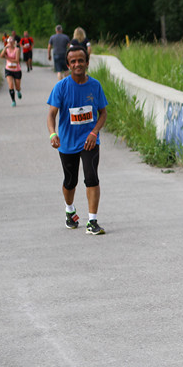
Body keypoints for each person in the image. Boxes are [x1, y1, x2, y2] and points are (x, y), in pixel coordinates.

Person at [46, 45, 109, 235]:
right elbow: (51, 115)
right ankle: (70, 210)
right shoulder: (61, 87)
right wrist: (52, 134)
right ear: (68, 65)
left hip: (89, 140)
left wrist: (94, 132)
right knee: (70, 181)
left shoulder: (95, 86)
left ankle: (92, 221)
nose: (77, 64)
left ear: (87, 63)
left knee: (91, 177)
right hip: (67, 142)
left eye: (81, 60)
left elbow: (103, 113)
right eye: (73, 61)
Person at [0, 36, 22, 106]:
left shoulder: (17, 49)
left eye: (11, 42)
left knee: (17, 86)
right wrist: (5, 48)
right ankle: (13, 101)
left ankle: (18, 91)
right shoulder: (6, 49)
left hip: (17, 70)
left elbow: (17, 60)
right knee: (11, 85)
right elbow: (1, 56)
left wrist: (7, 58)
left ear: (14, 42)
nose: (10, 43)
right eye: (9, 42)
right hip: (8, 70)